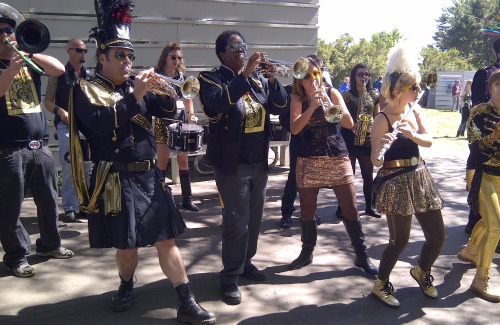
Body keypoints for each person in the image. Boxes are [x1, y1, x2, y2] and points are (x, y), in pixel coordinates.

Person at [69, 2, 215, 322]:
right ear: (102, 57)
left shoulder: (137, 86)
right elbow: (99, 125)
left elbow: (164, 110)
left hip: (149, 177)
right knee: (128, 247)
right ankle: (125, 284)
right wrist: (134, 95)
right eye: (120, 55)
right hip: (116, 180)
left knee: (167, 240)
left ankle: (186, 300)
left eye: (130, 56)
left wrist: (165, 88)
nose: (127, 61)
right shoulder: (86, 89)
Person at [198, 29, 288, 305]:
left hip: (258, 160)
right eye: (235, 47)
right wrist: (245, 75)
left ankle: (246, 262)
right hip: (231, 163)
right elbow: (219, 105)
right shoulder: (210, 79)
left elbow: (279, 106)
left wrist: (272, 80)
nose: (241, 50)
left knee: (254, 219)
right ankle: (229, 276)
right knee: (235, 222)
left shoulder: (258, 80)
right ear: (222, 52)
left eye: (244, 45)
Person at [287, 55, 377, 276]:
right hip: (308, 156)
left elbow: (348, 123)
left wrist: (327, 102)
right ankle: (306, 252)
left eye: (315, 74)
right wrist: (312, 107)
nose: (312, 80)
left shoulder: (333, 93)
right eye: (306, 76)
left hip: (336, 153)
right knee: (307, 209)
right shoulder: (298, 98)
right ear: (299, 80)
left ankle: (361, 255)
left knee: (351, 207)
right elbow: (295, 129)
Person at [370, 42, 445, 308]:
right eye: (414, 87)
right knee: (399, 240)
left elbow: (429, 141)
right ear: (399, 90)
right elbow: (375, 161)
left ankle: (422, 270)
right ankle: (381, 284)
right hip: (395, 181)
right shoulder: (381, 119)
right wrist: (380, 148)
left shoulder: (416, 111)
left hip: (419, 176)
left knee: (437, 237)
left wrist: (413, 134)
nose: (419, 90)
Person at [0, 9, 74, 278]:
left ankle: (50, 245)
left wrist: (27, 53)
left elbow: (59, 69)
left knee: (48, 201)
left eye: (9, 30)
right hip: (9, 148)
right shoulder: (6, 66)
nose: (6, 36)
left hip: (38, 145)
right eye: (0, 32)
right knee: (10, 207)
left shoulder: (27, 61)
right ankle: (16, 256)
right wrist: (11, 69)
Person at [458, 70, 500, 302]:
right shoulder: (479, 112)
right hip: (482, 172)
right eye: (498, 84)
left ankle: (472, 250)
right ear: (490, 87)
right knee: (496, 226)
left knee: (489, 219)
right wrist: (493, 136)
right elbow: (474, 149)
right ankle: (481, 279)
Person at [44, 38, 92, 222]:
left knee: (87, 166)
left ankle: (85, 204)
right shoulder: (58, 74)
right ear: (69, 51)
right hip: (66, 125)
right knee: (69, 165)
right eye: (79, 50)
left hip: (86, 126)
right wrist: (59, 111)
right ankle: (70, 206)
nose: (83, 54)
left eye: (85, 51)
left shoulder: (89, 75)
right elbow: (48, 101)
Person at [153, 41, 199, 211]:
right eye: (173, 57)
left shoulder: (183, 78)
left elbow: (188, 99)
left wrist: (192, 115)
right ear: (165, 57)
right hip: (162, 120)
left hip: (180, 120)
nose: (177, 61)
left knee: (183, 161)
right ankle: (159, 200)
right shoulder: (157, 76)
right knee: (162, 163)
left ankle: (187, 199)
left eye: (179, 58)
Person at [336, 63, 381, 219]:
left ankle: (369, 207)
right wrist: (351, 125)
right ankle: (342, 208)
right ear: (354, 76)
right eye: (360, 74)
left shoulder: (374, 95)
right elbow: (339, 116)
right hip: (349, 137)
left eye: (366, 74)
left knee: (368, 176)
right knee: (348, 176)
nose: (364, 77)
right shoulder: (347, 95)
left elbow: (378, 117)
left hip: (366, 138)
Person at [465, 38, 500, 234]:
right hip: (487, 135)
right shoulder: (486, 73)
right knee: (482, 179)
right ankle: (477, 225)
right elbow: (478, 105)